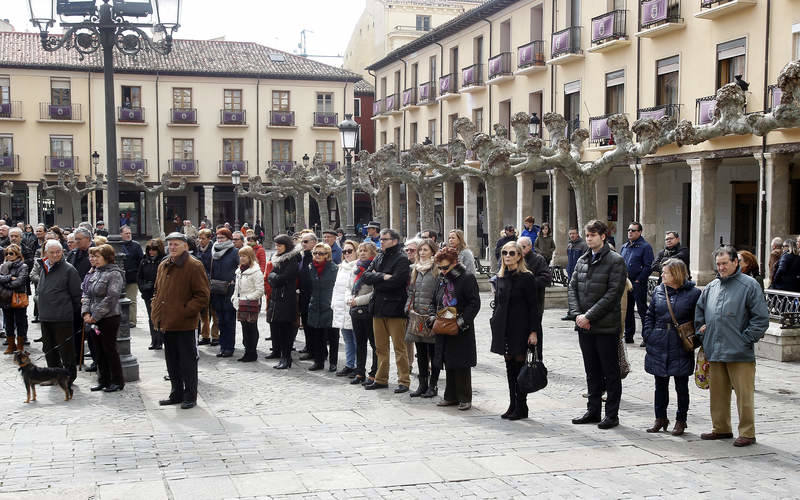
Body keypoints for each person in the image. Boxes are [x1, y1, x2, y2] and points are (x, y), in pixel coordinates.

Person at [695, 246, 769, 447]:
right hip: (715, 349)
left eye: (724, 263)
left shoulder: (749, 285)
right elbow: (700, 312)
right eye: (718, 264)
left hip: (740, 351)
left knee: (744, 395)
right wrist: (702, 333)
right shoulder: (711, 287)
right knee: (717, 393)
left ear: (736, 262)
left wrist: (746, 338)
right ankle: (721, 428)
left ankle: (747, 432)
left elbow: (761, 318)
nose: (721, 268)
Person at [568, 219, 628, 430]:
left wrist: (589, 316)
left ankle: (611, 415)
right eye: (588, 234)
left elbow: (613, 294)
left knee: (610, 372)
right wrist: (577, 314)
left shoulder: (616, 260)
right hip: (584, 326)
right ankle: (593, 411)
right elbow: (572, 287)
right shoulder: (583, 259)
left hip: (605, 326)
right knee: (591, 370)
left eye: (593, 234)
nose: (589, 238)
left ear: (603, 236)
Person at [642, 259, 701, 436]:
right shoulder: (660, 290)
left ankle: (681, 420)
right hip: (659, 341)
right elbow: (649, 314)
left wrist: (695, 338)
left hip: (680, 344)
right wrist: (648, 334)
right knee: (660, 384)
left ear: (676, 274)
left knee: (681, 386)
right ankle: (660, 418)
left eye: (665, 272)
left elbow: (698, 319)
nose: (661, 275)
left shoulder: (694, 293)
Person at [152, 233, 210, 410]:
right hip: (167, 322)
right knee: (172, 361)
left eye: (176, 244)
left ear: (185, 246)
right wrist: (155, 307)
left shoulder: (193, 265)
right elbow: (157, 291)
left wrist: (185, 311)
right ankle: (176, 393)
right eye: (170, 244)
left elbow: (202, 295)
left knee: (187, 361)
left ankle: (190, 395)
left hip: (184, 323)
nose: (172, 247)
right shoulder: (164, 264)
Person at [490, 240, 541, 420]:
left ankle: (522, 406)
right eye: (505, 253)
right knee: (509, 367)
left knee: (520, 368)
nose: (508, 256)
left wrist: (533, 331)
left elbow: (533, 307)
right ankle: (512, 404)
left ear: (519, 256)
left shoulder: (527, 277)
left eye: (512, 253)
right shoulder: (501, 277)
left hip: (522, 327)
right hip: (505, 327)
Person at [431, 247, 481, 411]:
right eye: (440, 268)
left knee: (461, 363)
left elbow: (474, 304)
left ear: (455, 263)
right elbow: (435, 299)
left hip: (460, 327)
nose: (443, 271)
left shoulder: (467, 278)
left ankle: (465, 397)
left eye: (446, 267)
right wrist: (433, 317)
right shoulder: (442, 278)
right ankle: (450, 396)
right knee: (448, 360)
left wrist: (460, 322)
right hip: (443, 324)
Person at [361, 228, 411, 392]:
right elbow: (366, 276)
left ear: (394, 241)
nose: (381, 241)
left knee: (399, 348)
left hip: (395, 308)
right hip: (378, 307)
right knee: (380, 347)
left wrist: (378, 277)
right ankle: (381, 379)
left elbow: (397, 281)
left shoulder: (402, 259)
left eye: (384, 239)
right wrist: (383, 276)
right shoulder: (379, 255)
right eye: (381, 239)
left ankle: (403, 380)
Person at [36, 240, 82, 391]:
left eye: (58, 252)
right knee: (49, 348)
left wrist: (71, 312)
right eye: (52, 252)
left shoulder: (69, 269)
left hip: (62, 316)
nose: (55, 255)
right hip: (45, 315)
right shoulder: (44, 267)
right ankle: (53, 375)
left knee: (66, 350)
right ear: (46, 253)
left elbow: (76, 295)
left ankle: (69, 376)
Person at [81, 244, 126, 392]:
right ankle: (103, 379)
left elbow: (111, 297)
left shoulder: (114, 274)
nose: (94, 259)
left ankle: (117, 380)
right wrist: (86, 313)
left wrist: (95, 316)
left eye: (97, 257)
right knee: (98, 350)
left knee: (109, 349)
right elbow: (86, 294)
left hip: (109, 317)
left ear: (107, 257)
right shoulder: (95, 272)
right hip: (93, 318)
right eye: (92, 256)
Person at [405, 239, 440, 398]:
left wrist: (435, 313)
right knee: (420, 352)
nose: (421, 253)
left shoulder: (437, 269)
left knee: (433, 353)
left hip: (431, 317)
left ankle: (433, 386)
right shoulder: (415, 270)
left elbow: (440, 293)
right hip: (417, 316)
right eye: (420, 250)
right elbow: (411, 291)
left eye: (425, 250)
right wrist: (408, 307)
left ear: (433, 251)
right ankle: (422, 384)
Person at [266, 234, 301, 369]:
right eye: (276, 245)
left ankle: (287, 359)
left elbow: (283, 278)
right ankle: (282, 357)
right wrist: (274, 278)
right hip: (277, 298)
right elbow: (271, 276)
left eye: (279, 245)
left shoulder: (292, 260)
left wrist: (275, 278)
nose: (277, 248)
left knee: (286, 331)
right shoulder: (279, 259)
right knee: (279, 330)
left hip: (286, 299)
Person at [304, 242, 339, 371]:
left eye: (321, 253)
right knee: (317, 336)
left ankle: (333, 362)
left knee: (333, 336)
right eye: (315, 253)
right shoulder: (310, 267)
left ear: (327, 255)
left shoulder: (334, 269)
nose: (317, 255)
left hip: (329, 305)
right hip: (315, 305)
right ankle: (318, 362)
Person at [620, 222, 654, 344]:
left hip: (638, 283)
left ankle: (646, 337)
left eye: (633, 230)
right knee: (627, 310)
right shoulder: (624, 247)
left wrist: (639, 280)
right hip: (626, 283)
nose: (630, 232)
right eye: (629, 230)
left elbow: (648, 266)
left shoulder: (645, 247)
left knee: (642, 310)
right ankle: (628, 335)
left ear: (639, 232)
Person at [349, 241, 377, 385]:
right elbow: (350, 287)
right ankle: (360, 372)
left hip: (368, 310)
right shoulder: (356, 268)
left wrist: (358, 301)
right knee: (359, 343)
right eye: (360, 250)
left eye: (365, 251)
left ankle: (374, 373)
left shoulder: (374, 270)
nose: (362, 253)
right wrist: (350, 299)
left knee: (374, 344)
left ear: (372, 253)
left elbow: (375, 293)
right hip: (355, 310)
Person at [232, 246, 264, 362]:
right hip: (241, 303)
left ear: (250, 257)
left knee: (251, 328)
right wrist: (234, 297)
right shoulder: (239, 270)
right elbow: (237, 287)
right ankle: (247, 351)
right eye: (240, 256)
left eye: (244, 256)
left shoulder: (256, 271)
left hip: (251, 303)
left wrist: (246, 298)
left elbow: (260, 291)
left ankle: (252, 352)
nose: (242, 258)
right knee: (245, 328)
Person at [210, 228, 239, 357]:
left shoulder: (234, 252)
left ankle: (229, 347)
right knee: (220, 320)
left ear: (228, 238)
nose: (219, 240)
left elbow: (241, 268)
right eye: (218, 237)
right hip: (216, 290)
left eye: (222, 237)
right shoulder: (214, 252)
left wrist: (233, 281)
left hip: (229, 291)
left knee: (229, 320)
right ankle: (223, 346)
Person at [331, 240, 358, 377]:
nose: (347, 254)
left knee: (356, 339)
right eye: (344, 251)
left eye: (350, 251)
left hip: (353, 306)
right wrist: (334, 304)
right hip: (341, 306)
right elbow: (337, 288)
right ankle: (349, 364)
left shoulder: (359, 267)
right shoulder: (341, 267)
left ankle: (358, 366)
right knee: (347, 338)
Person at [518, 236, 551, 333]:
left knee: (533, 331)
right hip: (518, 304)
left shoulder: (538, 259)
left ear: (530, 247)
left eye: (523, 247)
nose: (521, 250)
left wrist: (528, 283)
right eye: (518, 247)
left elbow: (546, 278)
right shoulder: (514, 258)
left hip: (535, 302)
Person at [1, 244, 29, 354]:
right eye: (7, 253)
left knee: (20, 322)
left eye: (11, 253)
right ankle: (11, 345)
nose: (8, 255)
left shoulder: (23, 266)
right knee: (8, 322)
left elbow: (19, 282)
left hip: (18, 297)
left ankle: (20, 347)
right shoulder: (3, 266)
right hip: (5, 297)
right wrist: (9, 278)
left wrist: (5, 283)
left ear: (17, 254)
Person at [138, 239, 165, 350]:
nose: (151, 252)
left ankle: (160, 340)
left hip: (160, 294)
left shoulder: (163, 261)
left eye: (154, 250)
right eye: (150, 250)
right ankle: (154, 340)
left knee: (160, 317)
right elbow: (139, 277)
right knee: (151, 317)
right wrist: (144, 287)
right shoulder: (144, 261)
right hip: (148, 293)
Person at [195, 229, 218, 347]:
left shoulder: (214, 249)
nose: (200, 240)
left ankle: (215, 336)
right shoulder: (197, 250)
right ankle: (205, 336)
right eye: (199, 238)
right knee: (203, 312)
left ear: (209, 239)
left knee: (214, 311)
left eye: (203, 238)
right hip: (200, 283)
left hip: (212, 283)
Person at [297, 233, 318, 359]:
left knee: (312, 324)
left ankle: (314, 349)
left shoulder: (316, 256)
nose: (303, 244)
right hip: (303, 294)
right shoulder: (303, 256)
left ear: (313, 242)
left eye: (306, 241)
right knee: (305, 322)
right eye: (302, 242)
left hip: (313, 294)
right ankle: (308, 345)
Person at [120, 225, 143, 328]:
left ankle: (132, 321)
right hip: (119, 278)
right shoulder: (117, 245)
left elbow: (141, 261)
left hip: (132, 277)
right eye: (126, 233)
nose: (129, 235)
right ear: (121, 234)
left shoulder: (136, 246)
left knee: (132, 300)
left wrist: (138, 274)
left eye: (130, 233)